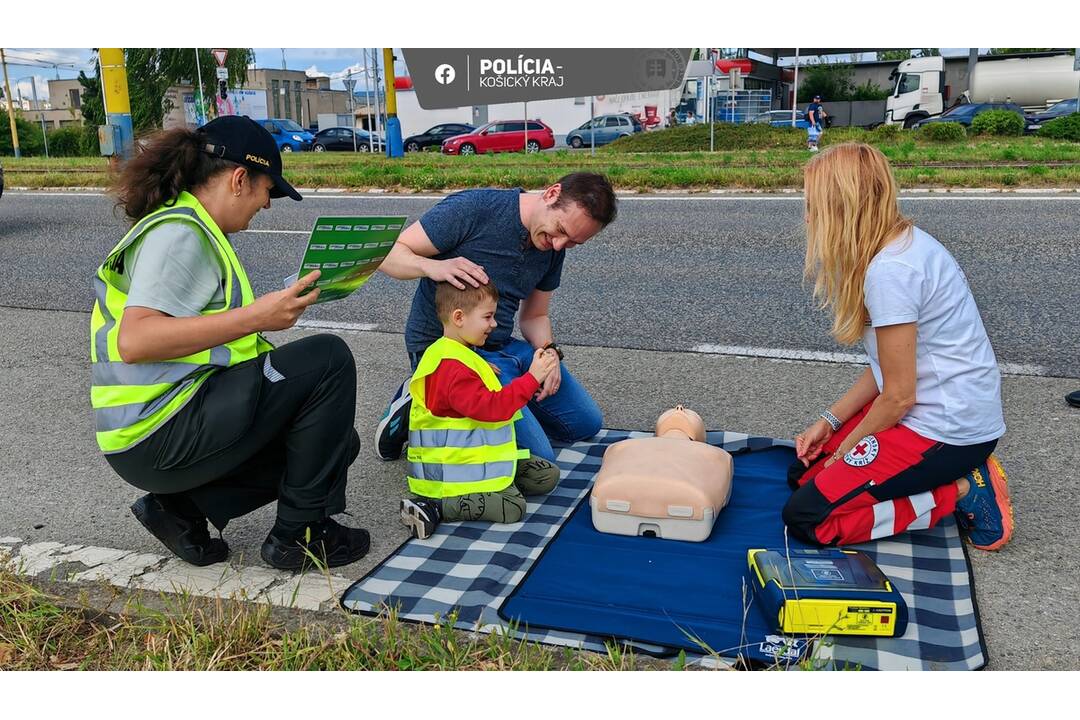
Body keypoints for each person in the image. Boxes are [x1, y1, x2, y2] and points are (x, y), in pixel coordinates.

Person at [90, 116, 369, 571]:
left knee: (337, 443)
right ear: (240, 179)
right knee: (329, 358)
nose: (268, 205)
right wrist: (257, 317)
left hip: (152, 433)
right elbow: (136, 339)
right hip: (161, 428)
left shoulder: (189, 227)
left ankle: (180, 510)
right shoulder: (180, 233)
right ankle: (300, 536)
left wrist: (260, 317)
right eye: (267, 191)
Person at [783, 143, 1013, 551]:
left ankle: (963, 489)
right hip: (927, 414)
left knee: (806, 517)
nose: (807, 215)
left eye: (811, 204)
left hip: (945, 432)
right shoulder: (900, 243)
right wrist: (829, 423)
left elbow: (899, 395)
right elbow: (886, 368)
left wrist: (846, 452)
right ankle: (939, 480)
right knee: (803, 474)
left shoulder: (892, 272)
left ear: (842, 208)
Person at [375, 172, 617, 464]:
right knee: (537, 457)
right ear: (552, 193)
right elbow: (386, 254)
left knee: (585, 424)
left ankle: (498, 397)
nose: (558, 245)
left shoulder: (553, 248)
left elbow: (535, 315)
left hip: (501, 346)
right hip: (449, 352)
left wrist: (549, 354)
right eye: (560, 230)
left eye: (573, 243)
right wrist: (430, 267)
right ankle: (424, 396)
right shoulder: (475, 208)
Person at [399, 281, 562, 539]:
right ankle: (433, 507)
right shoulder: (452, 369)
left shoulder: (456, 352)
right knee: (513, 507)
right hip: (450, 476)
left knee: (547, 475)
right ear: (459, 317)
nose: (494, 324)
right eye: (487, 316)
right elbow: (494, 409)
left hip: (469, 462)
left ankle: (496, 482)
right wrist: (532, 378)